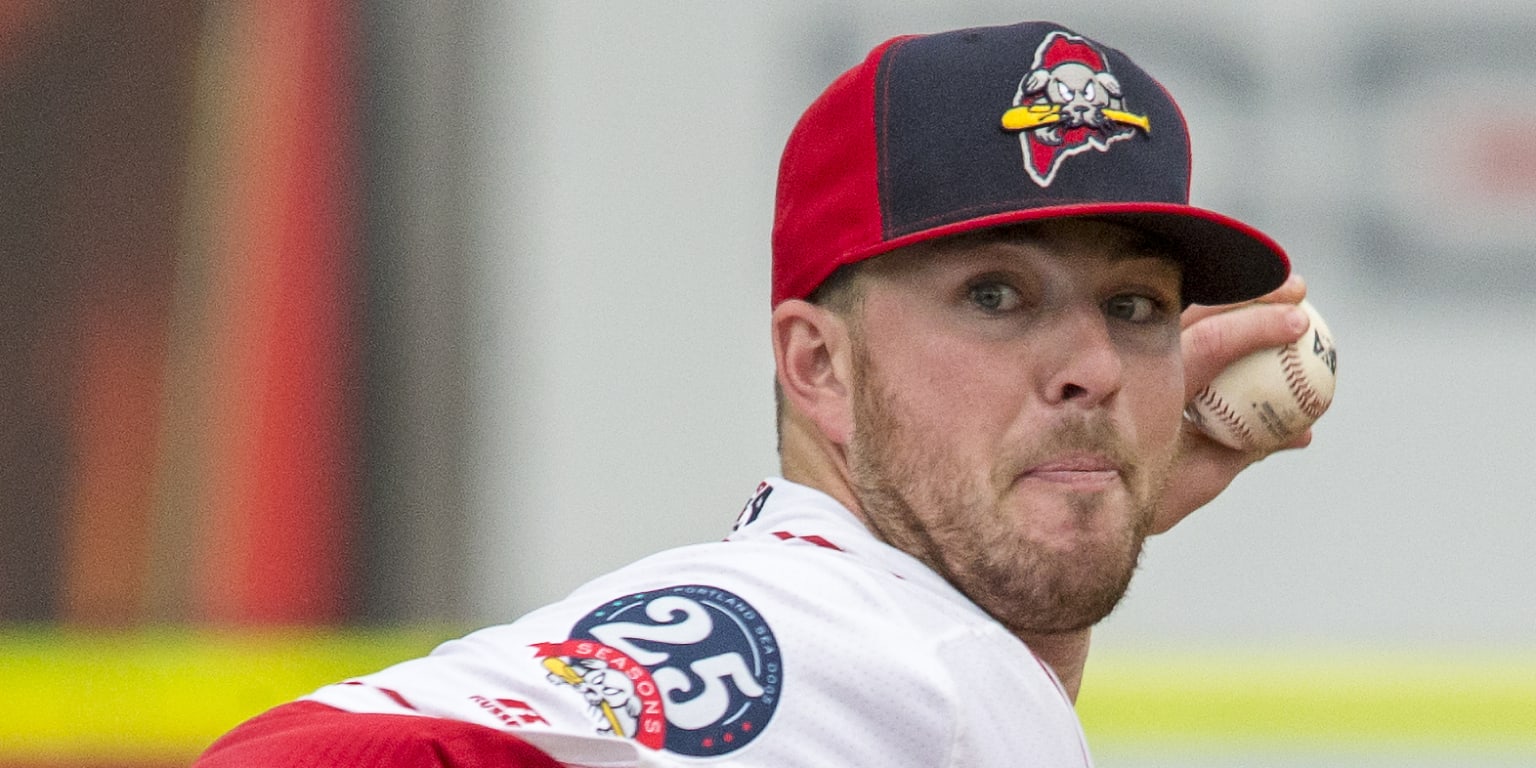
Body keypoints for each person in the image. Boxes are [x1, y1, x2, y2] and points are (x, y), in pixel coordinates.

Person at [195, 19, 1317, 768]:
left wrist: (1067, 493)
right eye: (995, 295)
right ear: (817, 365)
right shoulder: (861, 657)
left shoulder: (900, 650)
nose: (1096, 368)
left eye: (1134, 306)